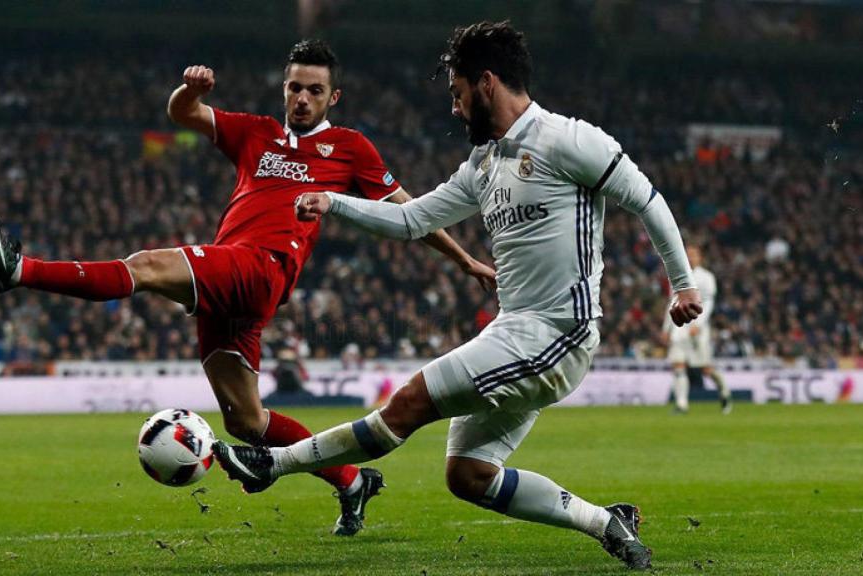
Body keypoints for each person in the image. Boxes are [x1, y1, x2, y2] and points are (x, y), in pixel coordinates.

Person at [211, 21, 703, 570]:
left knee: (409, 403)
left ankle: (272, 464)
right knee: (467, 475)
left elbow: (648, 200)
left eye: (457, 93)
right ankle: (605, 522)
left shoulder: (569, 140)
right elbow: (411, 219)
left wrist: (680, 283)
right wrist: (334, 201)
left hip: (560, 334)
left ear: (486, 83)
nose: (454, 108)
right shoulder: (483, 164)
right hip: (515, 332)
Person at [0, 39, 495, 536]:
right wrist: (191, 91)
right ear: (283, 87)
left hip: (262, 268)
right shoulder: (256, 133)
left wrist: (466, 259)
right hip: (232, 279)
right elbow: (183, 114)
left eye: (315, 90)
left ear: (333, 97)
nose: (303, 98)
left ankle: (19, 271)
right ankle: (352, 481)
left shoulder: (350, 148)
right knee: (248, 421)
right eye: (295, 87)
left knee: (149, 267)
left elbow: (410, 210)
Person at [663, 245, 730, 414]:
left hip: (697, 328)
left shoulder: (707, 277)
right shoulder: (676, 275)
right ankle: (682, 404)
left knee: (706, 369)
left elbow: (708, 303)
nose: (690, 257)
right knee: (678, 364)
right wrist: (666, 328)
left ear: (700, 258)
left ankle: (724, 391)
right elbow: (672, 302)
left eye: (693, 255)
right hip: (679, 327)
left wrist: (697, 325)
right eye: (688, 254)